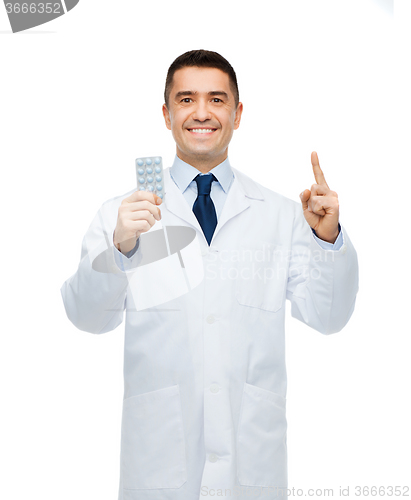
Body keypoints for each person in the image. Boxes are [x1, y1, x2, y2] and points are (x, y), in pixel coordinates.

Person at [61, 49, 359, 500]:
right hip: (158, 468)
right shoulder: (122, 215)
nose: (202, 113)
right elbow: (86, 316)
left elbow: (330, 316)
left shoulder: (280, 215)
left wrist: (327, 238)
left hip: (250, 467)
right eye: (186, 100)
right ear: (166, 114)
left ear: (238, 114)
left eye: (217, 100)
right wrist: (121, 248)